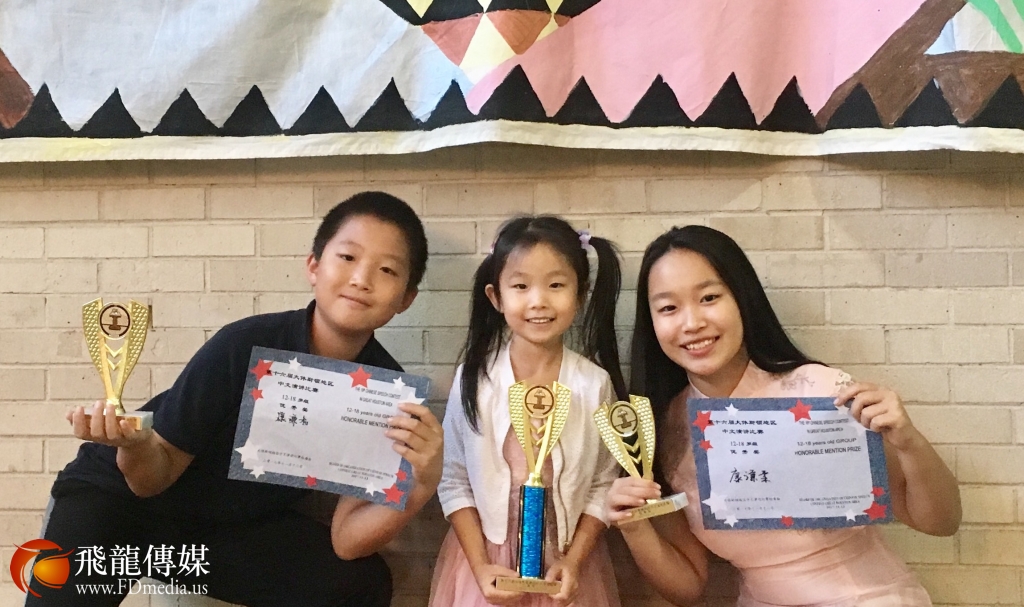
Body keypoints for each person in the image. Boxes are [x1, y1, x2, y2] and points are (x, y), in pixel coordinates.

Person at [31, 192, 444, 607]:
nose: (361, 279)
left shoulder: (387, 394)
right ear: (314, 267)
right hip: (119, 500)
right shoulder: (244, 344)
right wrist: (134, 445)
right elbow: (151, 478)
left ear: (406, 298)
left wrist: (419, 486)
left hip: (217, 531)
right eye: (348, 257)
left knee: (361, 581)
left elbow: (346, 542)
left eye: (387, 269)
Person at [605, 225, 961, 607]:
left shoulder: (822, 392)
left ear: (742, 299)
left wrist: (909, 443)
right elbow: (688, 587)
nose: (691, 323)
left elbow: (939, 522)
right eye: (668, 308)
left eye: (709, 297)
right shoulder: (664, 432)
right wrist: (633, 526)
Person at [430, 217, 626, 607]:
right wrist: (480, 566)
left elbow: (603, 483)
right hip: (485, 561)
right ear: (496, 297)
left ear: (580, 294)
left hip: (566, 565)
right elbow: (452, 479)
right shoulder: (474, 379)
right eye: (520, 286)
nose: (538, 301)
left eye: (556, 285)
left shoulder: (594, 384)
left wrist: (573, 561)